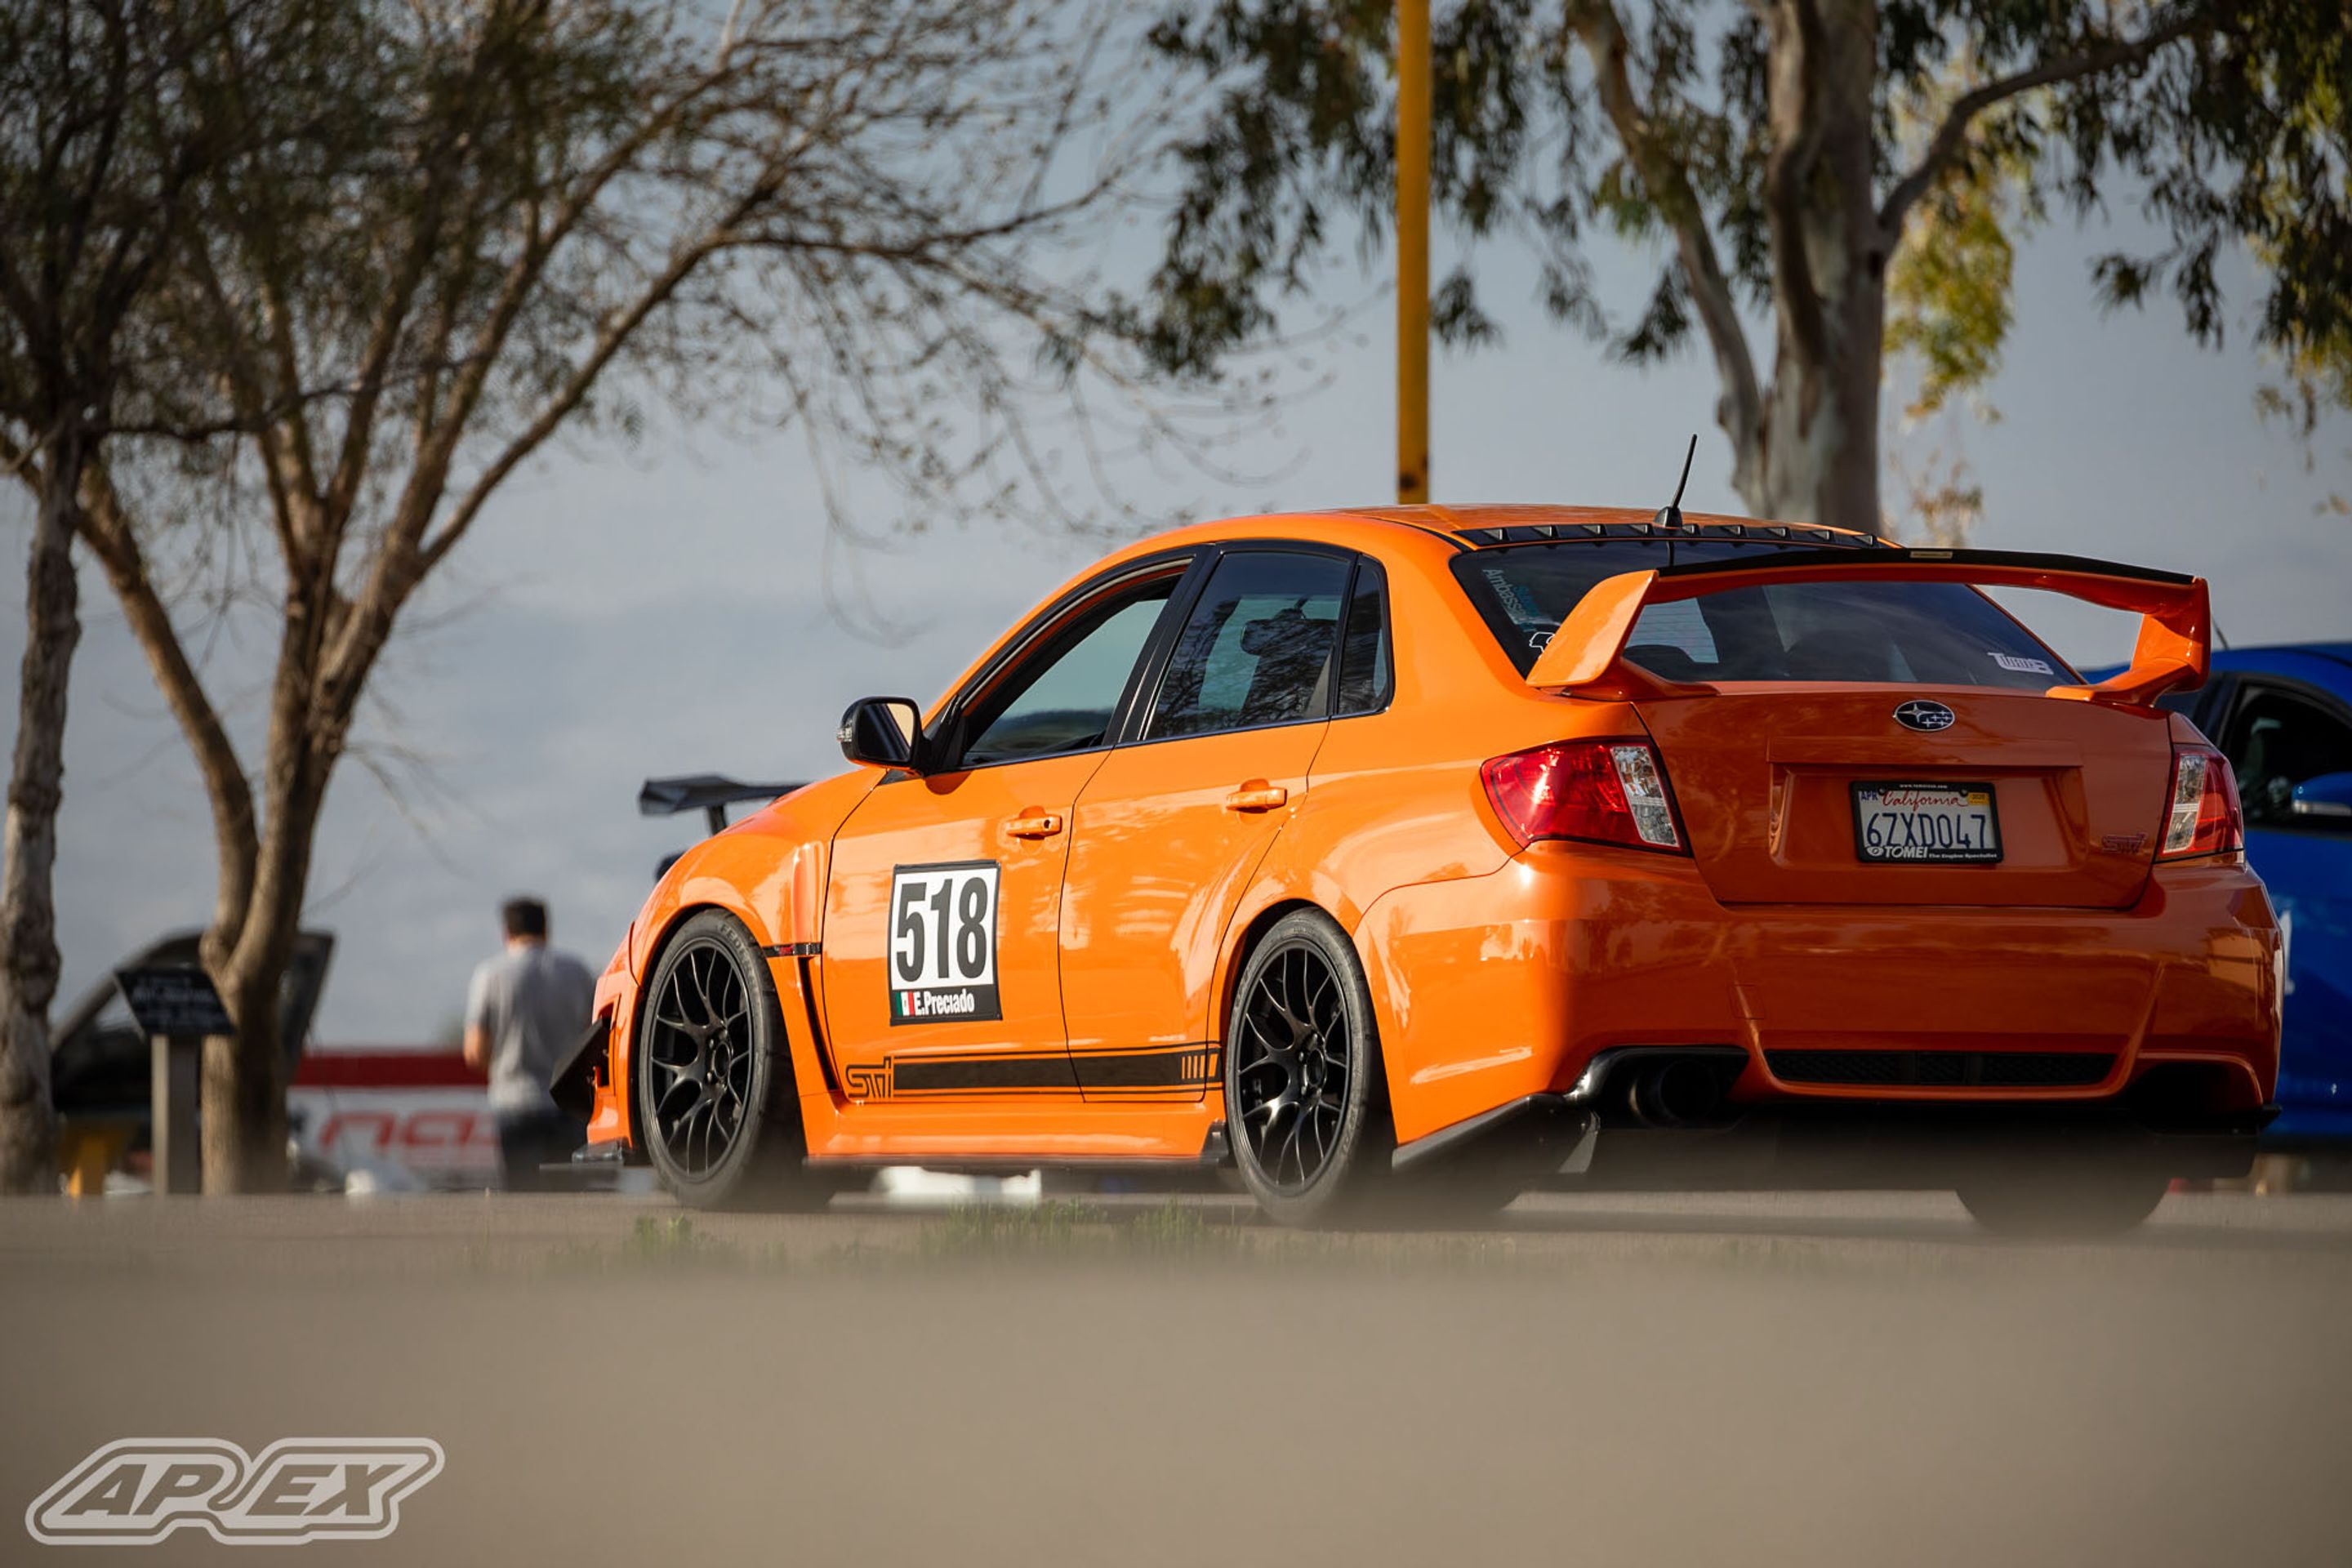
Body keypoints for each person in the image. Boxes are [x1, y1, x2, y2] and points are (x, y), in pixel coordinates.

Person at [464, 897, 594, 1192]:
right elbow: (595, 1035)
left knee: (523, 1197)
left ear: (506, 932)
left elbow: (475, 1051)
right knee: (568, 1199)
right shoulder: (577, 971)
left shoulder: (491, 974)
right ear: (547, 930)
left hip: (514, 1102)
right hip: (568, 1102)